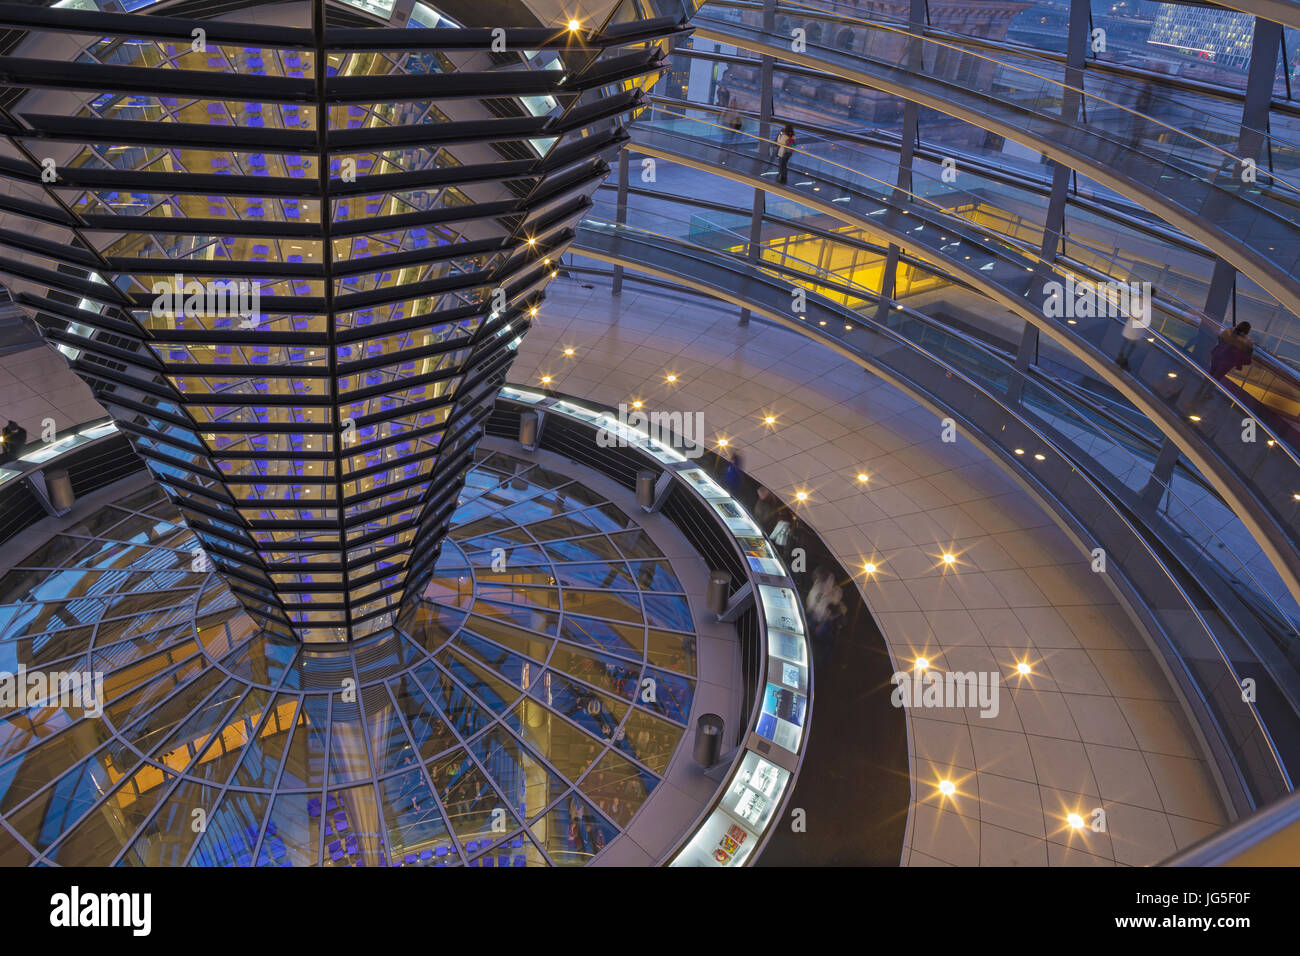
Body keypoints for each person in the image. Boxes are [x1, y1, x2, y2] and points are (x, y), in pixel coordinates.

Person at [1198, 321, 1253, 397]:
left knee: (1211, 372)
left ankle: (1201, 388)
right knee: (1217, 378)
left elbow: (1220, 338)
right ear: (1248, 331)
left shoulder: (1229, 331)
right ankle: (1207, 393)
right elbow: (1248, 351)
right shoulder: (1245, 340)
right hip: (1228, 362)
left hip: (1217, 355)